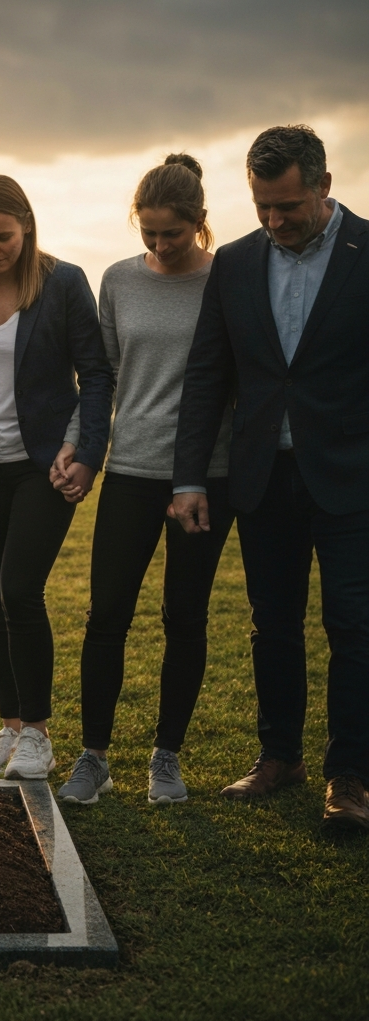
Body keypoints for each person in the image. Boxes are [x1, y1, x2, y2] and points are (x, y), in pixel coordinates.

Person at [173, 125, 369, 832]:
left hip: (352, 478)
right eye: (262, 206)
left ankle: (349, 778)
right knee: (272, 624)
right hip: (263, 476)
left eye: (287, 205)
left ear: (323, 185)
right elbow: (207, 376)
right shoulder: (234, 262)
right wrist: (188, 477)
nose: (275, 221)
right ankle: (278, 756)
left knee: (354, 624)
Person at [55, 155, 234, 807]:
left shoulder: (226, 280)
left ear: (199, 224)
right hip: (131, 470)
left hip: (206, 476)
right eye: (148, 233)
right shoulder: (118, 280)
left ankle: (166, 758)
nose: (159, 246)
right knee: (107, 615)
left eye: (172, 234)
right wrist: (79, 444)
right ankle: (94, 757)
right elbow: (100, 377)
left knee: (184, 616)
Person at [0, 175, 113, 781]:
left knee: (19, 591)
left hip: (43, 465)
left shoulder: (63, 283)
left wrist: (85, 452)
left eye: (2, 237)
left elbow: (97, 375)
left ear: (26, 227)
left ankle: (38, 733)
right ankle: (9, 730)